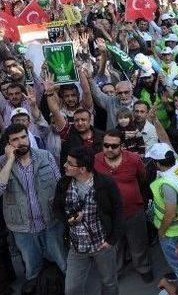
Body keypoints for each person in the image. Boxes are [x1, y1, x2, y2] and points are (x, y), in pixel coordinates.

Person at [0, 123, 67, 291]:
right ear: (8, 144)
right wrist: (9, 160)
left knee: (61, 261)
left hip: (50, 221)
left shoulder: (45, 156)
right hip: (22, 227)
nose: (21, 142)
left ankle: (66, 288)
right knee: (32, 268)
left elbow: (60, 185)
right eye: (15, 139)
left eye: (23, 137)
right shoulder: (2, 162)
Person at [53, 147, 123, 295]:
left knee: (109, 283)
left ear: (82, 169)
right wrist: (69, 220)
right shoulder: (63, 183)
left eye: (69, 163)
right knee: (71, 289)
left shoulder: (105, 183)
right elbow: (56, 209)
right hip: (77, 247)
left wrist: (111, 240)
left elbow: (118, 211)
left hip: (102, 245)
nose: (64, 165)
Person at [93, 129, 153, 283]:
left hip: (133, 211)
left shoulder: (133, 159)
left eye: (114, 146)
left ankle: (143, 267)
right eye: (106, 145)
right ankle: (116, 271)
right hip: (109, 216)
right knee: (114, 246)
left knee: (138, 242)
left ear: (122, 146)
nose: (109, 149)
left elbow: (143, 177)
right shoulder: (95, 161)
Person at [146, 143, 178, 284]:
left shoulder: (167, 184)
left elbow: (170, 213)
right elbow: (166, 139)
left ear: (157, 163)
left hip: (171, 231)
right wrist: (155, 121)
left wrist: (162, 232)